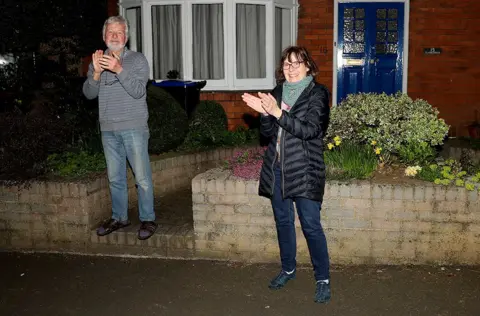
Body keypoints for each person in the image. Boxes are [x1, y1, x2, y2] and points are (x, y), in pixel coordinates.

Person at [241, 46, 331, 303]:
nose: (290, 69)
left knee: (311, 226)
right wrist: (264, 113)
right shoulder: (278, 92)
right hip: (277, 168)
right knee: (283, 223)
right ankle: (288, 269)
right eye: (286, 65)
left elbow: (311, 130)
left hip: (305, 169)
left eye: (296, 63)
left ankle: (323, 278)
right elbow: (268, 133)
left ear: (308, 66)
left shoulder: (318, 93)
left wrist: (278, 112)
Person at [83, 16, 157, 240]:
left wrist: (118, 69)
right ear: (104, 36)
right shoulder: (96, 61)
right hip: (108, 129)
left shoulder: (137, 60)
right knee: (115, 178)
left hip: (133, 127)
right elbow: (88, 94)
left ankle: (148, 219)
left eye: (119, 33)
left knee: (142, 177)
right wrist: (96, 73)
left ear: (126, 37)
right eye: (110, 33)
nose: (114, 36)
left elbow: (138, 91)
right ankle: (119, 217)